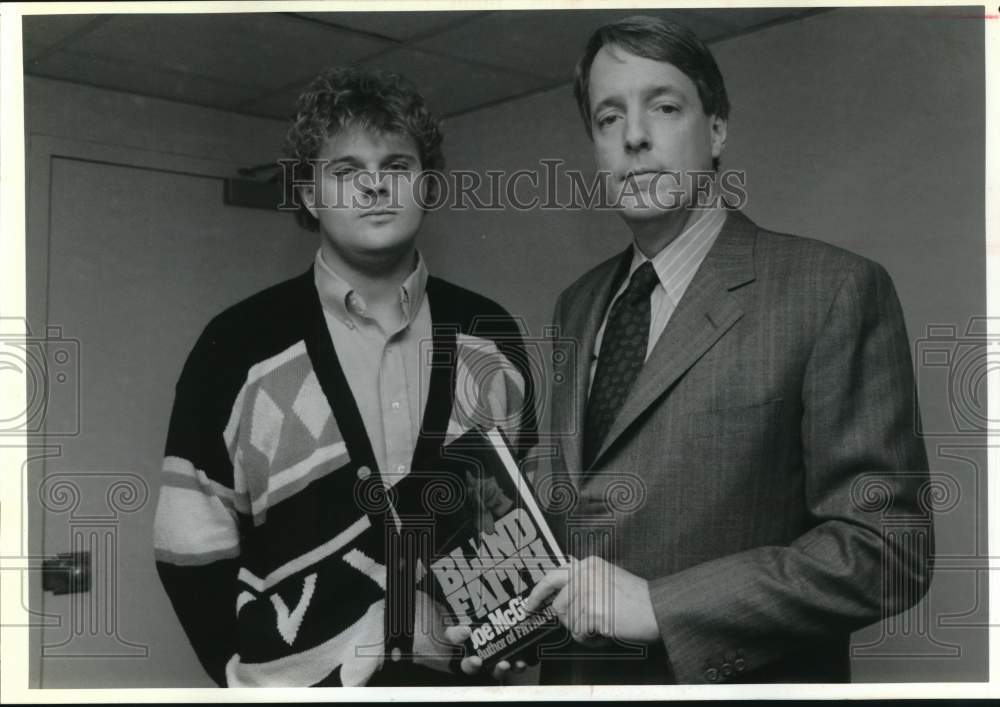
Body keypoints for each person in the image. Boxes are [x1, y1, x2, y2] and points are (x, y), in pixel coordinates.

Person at [520, 15, 933, 684]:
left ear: (715, 129)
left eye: (664, 106)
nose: (634, 135)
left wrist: (660, 605)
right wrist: (505, 609)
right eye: (607, 117)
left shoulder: (831, 289)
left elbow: (887, 549)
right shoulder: (578, 303)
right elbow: (582, 505)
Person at [152, 66, 536, 687]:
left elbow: (513, 512)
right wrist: (237, 674)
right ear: (308, 194)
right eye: (346, 171)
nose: (375, 188)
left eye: (397, 166)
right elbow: (187, 540)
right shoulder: (235, 346)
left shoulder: (489, 332)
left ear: (426, 185)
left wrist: (512, 630)